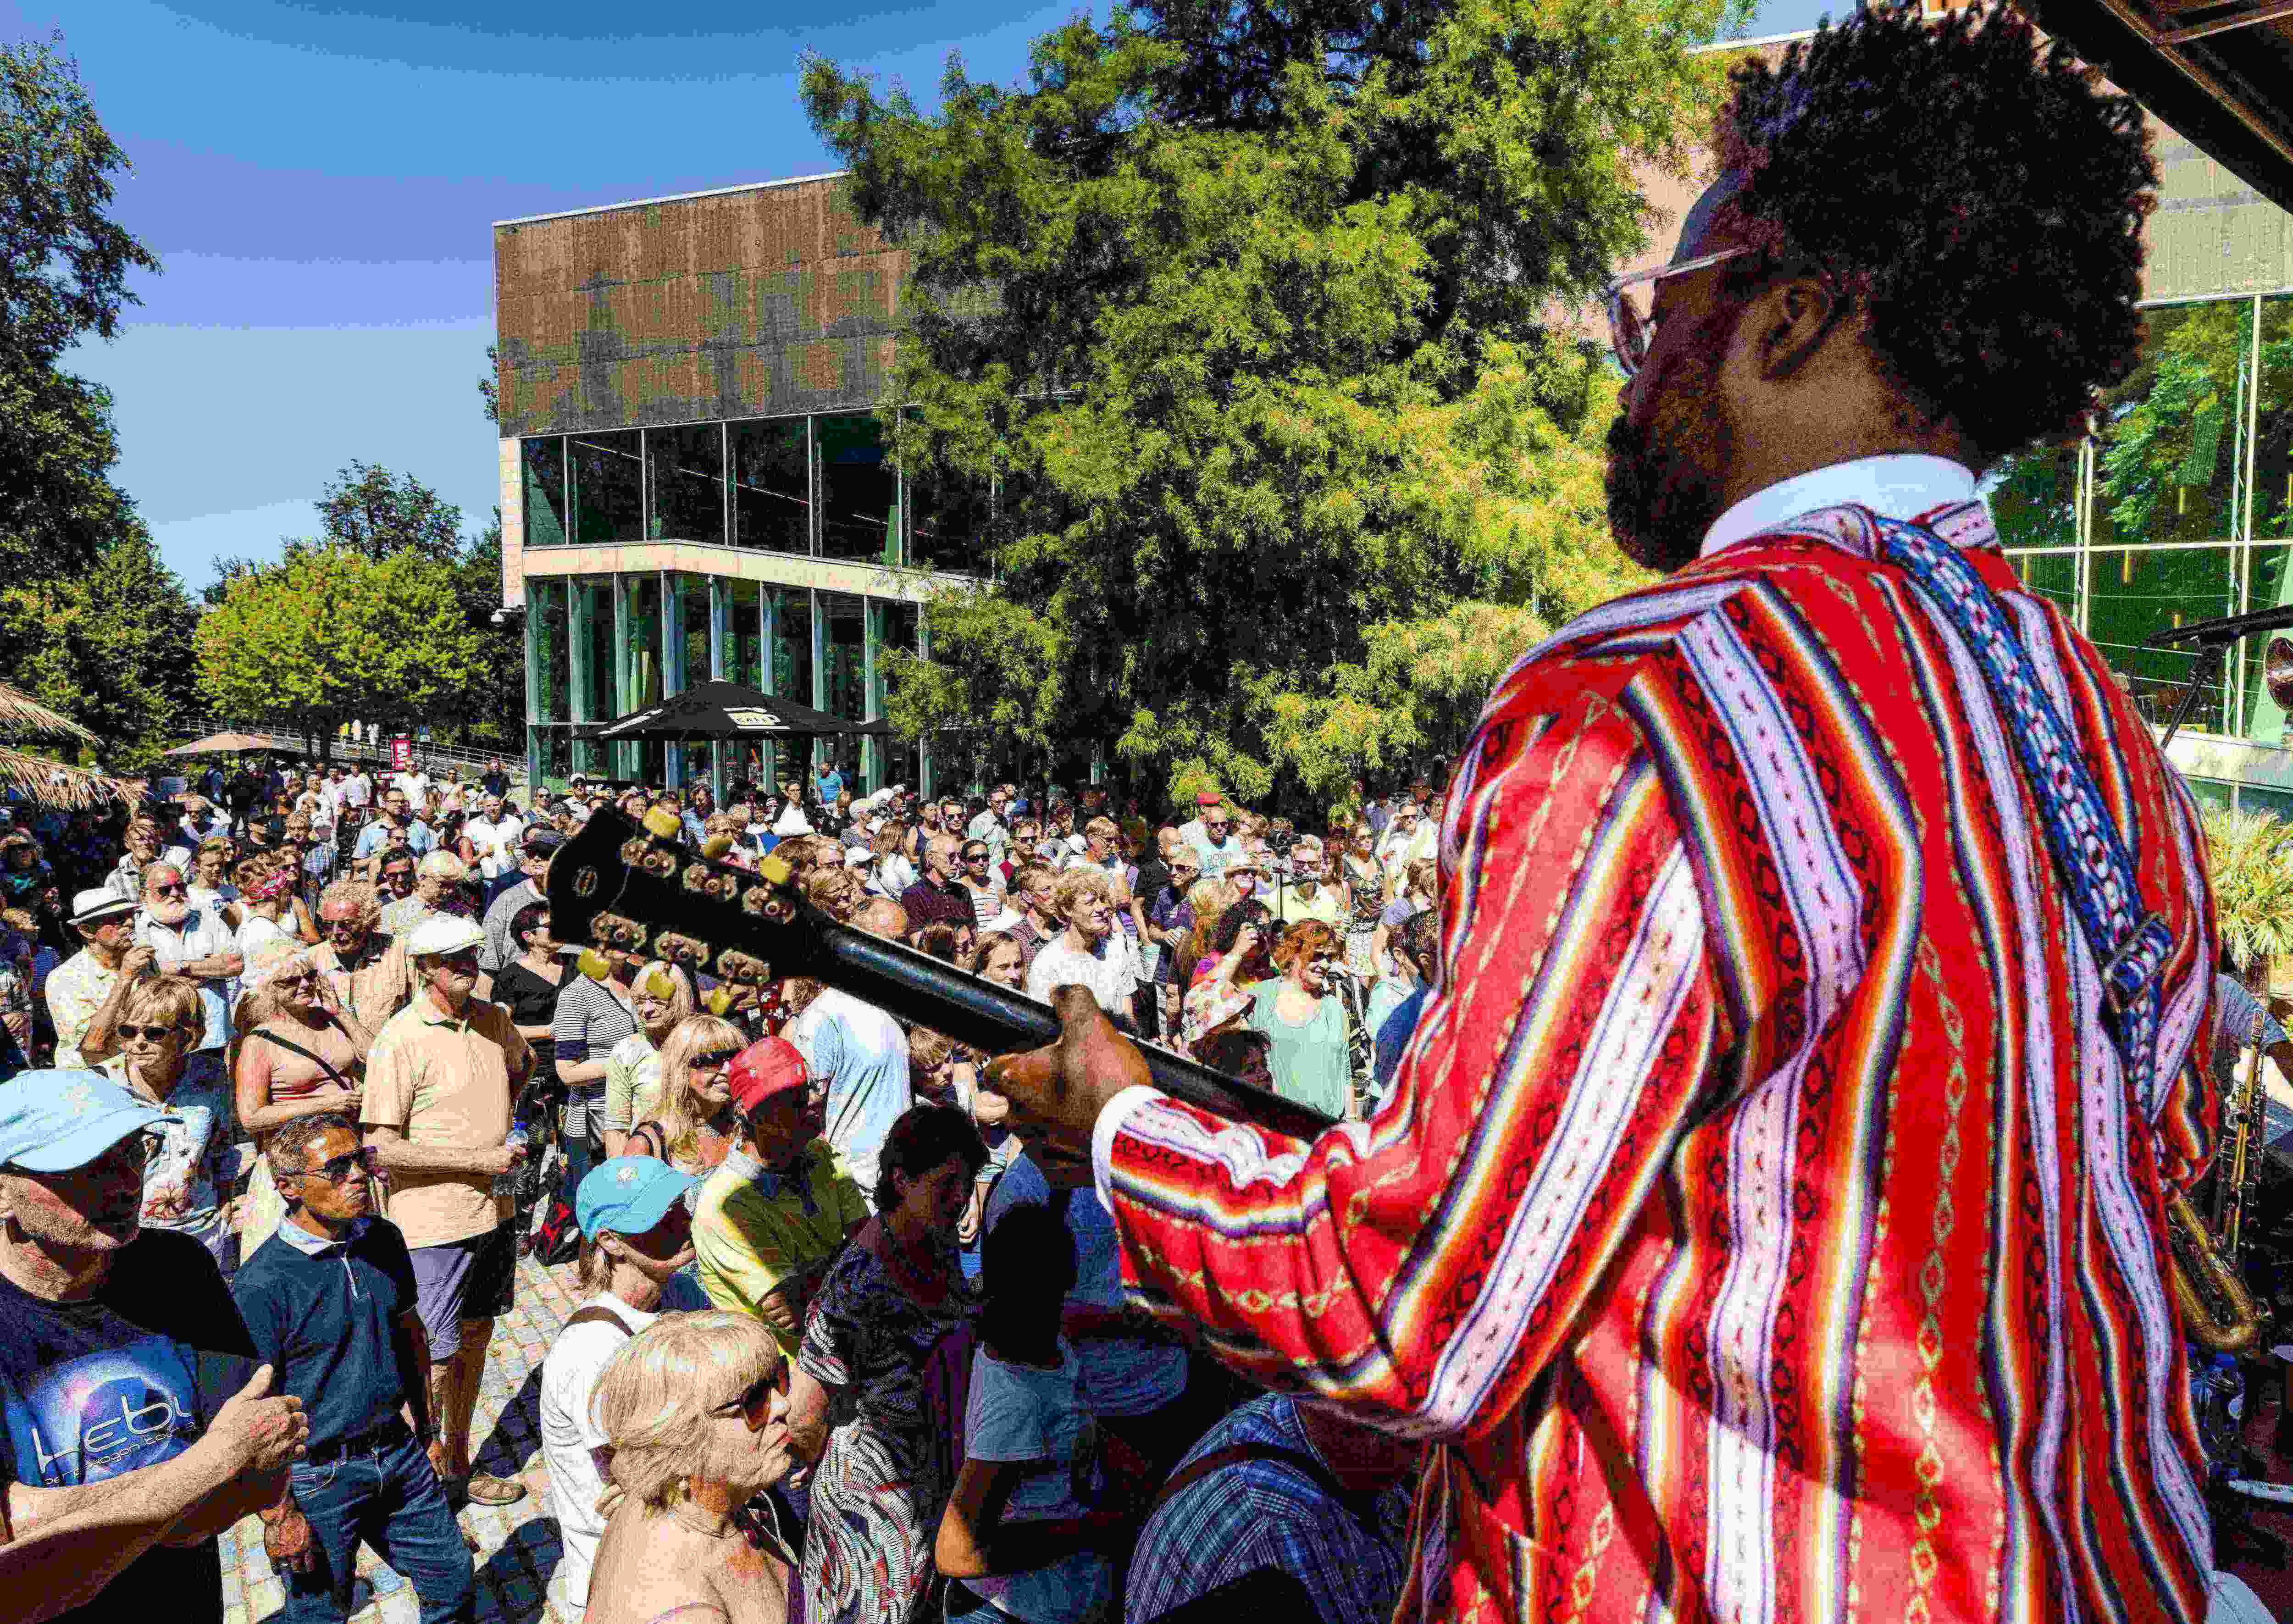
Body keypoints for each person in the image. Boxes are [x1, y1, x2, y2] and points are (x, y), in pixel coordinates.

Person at [986, 12, 2216, 1619]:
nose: (1639, 355)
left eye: (1665, 303)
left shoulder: (1653, 694)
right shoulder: (2095, 720)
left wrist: (1125, 1133)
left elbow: (1411, 1306)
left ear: (1791, 316)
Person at [0, 1070, 310, 1624]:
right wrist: (213, 1460)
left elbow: (260, 1477)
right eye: (85, 1165)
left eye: (134, 1151)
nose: (123, 1182)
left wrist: (47, 1516)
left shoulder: (178, 1267)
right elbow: (17, 1582)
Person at [230, 1113, 475, 1624]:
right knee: (320, 1613)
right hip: (317, 1476)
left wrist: (429, 1431)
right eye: (337, 1168)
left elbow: (411, 1334)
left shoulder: (383, 1239)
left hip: (399, 1453)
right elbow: (248, 1410)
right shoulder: (261, 1285)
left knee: (452, 1577)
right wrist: (279, 1513)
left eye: (359, 1160)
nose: (357, 1176)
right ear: (289, 1187)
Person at [360, 913, 533, 1508]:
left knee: (477, 1338)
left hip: (496, 1214)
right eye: (450, 957)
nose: (466, 964)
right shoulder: (400, 1038)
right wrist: (480, 1158)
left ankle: (456, 1466)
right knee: (430, 1361)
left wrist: (506, 1132)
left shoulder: (494, 1019)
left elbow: (522, 1067)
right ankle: (424, 1497)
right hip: (432, 1226)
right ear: (423, 968)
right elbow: (380, 1148)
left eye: (471, 953)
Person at [789, 1103, 986, 1624]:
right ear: (900, 1179)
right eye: (945, 1182)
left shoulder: (937, 1241)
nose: (960, 1197)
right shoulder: (859, 1281)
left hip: (926, 1486)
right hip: (869, 1507)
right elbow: (806, 1410)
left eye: (965, 1182)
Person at [539, 1156, 703, 1620]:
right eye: (659, 1217)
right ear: (611, 1241)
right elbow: (644, 1477)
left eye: (678, 1206)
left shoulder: (681, 1293)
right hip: (620, 1582)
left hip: (680, 1556)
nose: (683, 1221)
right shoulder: (592, 1348)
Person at [936, 1204, 1114, 1624]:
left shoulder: (1043, 1343)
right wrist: (1090, 1529)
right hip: (1010, 1611)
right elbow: (956, 1551)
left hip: (1058, 1593)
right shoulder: (1017, 1402)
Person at [1123, 1393, 1418, 1624]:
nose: (1421, 1453)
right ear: (1370, 1439)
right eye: (1415, 1442)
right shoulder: (1287, 1523)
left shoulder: (1292, 1412)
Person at [584, 1311, 798, 1624]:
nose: (783, 1405)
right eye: (754, 1401)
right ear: (682, 1443)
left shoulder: (698, 1500)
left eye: (777, 1378)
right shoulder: (685, 1613)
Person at [692, 1036, 868, 1354]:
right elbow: (793, 1311)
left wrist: (826, 1272)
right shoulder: (722, 1204)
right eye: (787, 1103)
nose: (808, 1107)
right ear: (749, 1115)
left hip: (847, 1352)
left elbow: (874, 1249)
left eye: (804, 1094)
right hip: (785, 1378)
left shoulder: (819, 1154)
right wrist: (852, 1257)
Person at [234, 945, 375, 1258]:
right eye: (290, 981)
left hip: (345, 1154)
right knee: (297, 1257)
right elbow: (251, 1117)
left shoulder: (332, 1022)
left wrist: (340, 1013)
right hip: (298, 1163)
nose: (304, 985)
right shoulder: (260, 1041)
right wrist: (325, 1105)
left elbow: (375, 1058)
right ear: (270, 989)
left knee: (357, 1253)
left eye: (309, 976)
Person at [104, 976, 238, 1274]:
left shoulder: (212, 1075)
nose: (138, 1042)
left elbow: (222, 1148)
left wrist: (225, 1206)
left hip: (200, 1228)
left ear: (186, 1036)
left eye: (154, 1033)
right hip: (128, 1235)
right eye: (129, 1031)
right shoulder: (107, 1083)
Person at [782, 973, 910, 1198]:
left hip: (873, 1184)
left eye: (791, 978)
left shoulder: (824, 1014)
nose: (784, 995)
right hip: (870, 1183)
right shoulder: (832, 1013)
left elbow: (802, 1102)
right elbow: (805, 1102)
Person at [1244, 920, 1350, 1119]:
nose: (1325, 964)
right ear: (1294, 952)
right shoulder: (1261, 998)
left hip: (1327, 1130)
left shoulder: (1334, 1009)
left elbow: (1345, 1075)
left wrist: (1351, 1128)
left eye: (1329, 957)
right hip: (1275, 1125)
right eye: (1317, 956)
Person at [624, 1014, 749, 1178]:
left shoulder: (744, 1127)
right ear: (681, 1069)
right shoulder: (649, 1143)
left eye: (734, 1058)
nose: (726, 1070)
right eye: (712, 1060)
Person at [133, 865, 239, 1057]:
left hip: (212, 1034)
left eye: (180, 887)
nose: (175, 894)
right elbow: (149, 978)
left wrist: (182, 967)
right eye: (164, 890)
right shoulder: (138, 930)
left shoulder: (208, 918)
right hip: (163, 1038)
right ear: (144, 895)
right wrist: (209, 968)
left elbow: (235, 964)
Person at [45, 887, 151, 1070]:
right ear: (87, 931)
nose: (129, 923)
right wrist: (125, 978)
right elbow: (92, 1044)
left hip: (140, 1072)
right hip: (92, 1080)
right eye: (118, 920)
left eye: (130, 916)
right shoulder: (65, 978)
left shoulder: (144, 963)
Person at [599, 960, 695, 1158]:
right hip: (651, 1169)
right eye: (641, 1001)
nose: (647, 1010)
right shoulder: (626, 1052)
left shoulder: (703, 1043)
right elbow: (617, 1130)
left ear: (679, 998)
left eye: (656, 999)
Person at [1024, 869, 1135, 1019]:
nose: (1101, 908)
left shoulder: (1117, 952)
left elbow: (1128, 1017)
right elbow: (1041, 1023)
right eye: (1090, 903)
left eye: (1102, 900)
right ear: (1068, 909)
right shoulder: (1048, 963)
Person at [310, 879, 417, 1033]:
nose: (335, 933)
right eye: (328, 925)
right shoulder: (313, 959)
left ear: (368, 922)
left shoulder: (398, 951)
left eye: (345, 924)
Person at [478, 828, 561, 974]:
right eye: (531, 853)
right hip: (517, 991)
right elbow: (489, 959)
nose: (536, 858)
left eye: (545, 854)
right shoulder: (508, 899)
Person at [461, 794, 524, 903]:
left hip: (512, 879)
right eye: (488, 806)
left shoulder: (515, 823)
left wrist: (516, 850)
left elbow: (524, 847)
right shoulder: (472, 826)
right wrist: (482, 855)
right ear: (483, 807)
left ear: (501, 805)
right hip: (487, 882)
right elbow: (467, 860)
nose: (492, 809)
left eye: (495, 805)